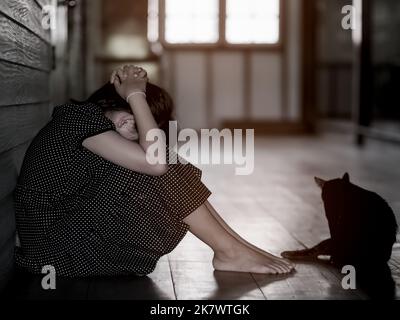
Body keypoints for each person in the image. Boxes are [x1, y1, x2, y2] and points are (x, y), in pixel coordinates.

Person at [14, 65, 294, 278]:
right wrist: (136, 93)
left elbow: (157, 158)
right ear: (112, 100)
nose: (133, 125)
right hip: (56, 250)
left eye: (142, 123)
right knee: (160, 163)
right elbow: (156, 163)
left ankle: (236, 246)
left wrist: (136, 103)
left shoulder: (93, 130)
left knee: (166, 159)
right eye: (131, 112)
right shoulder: (78, 118)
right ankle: (229, 251)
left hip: (68, 240)